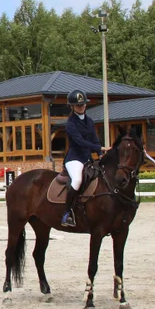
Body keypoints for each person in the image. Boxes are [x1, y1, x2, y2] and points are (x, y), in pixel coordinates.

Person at [61, 90, 107, 227]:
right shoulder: (70, 124)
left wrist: (100, 154)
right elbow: (80, 142)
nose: (81, 107)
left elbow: (94, 139)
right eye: (78, 105)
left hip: (87, 158)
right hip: (74, 158)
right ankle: (67, 213)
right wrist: (99, 148)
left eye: (83, 105)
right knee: (77, 179)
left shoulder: (89, 121)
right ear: (72, 107)